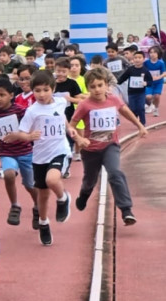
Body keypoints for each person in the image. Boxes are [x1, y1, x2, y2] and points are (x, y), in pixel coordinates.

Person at [10, 70, 79, 246]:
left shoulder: (61, 102)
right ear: (32, 90)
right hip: (40, 156)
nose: (41, 94)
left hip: (60, 150)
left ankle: (63, 198)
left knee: (52, 179)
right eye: (37, 90)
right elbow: (22, 133)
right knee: (42, 194)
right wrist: (29, 136)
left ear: (53, 89)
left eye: (46, 90)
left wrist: (69, 128)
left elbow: (61, 116)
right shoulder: (32, 111)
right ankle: (43, 223)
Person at [70, 68, 146, 225]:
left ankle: (126, 210)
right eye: (93, 87)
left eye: (100, 85)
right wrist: (79, 139)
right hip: (90, 149)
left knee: (115, 173)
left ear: (106, 85)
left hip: (110, 145)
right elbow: (72, 125)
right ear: (88, 88)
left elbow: (125, 111)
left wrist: (140, 126)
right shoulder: (84, 105)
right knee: (90, 180)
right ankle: (84, 194)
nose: (97, 90)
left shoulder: (114, 99)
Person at [0, 78, 37, 227]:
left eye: (2, 95)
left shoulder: (20, 111)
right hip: (6, 152)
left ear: (11, 95)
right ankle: (15, 205)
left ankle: (38, 206)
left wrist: (23, 135)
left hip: (25, 152)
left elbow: (31, 129)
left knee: (30, 184)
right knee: (8, 174)